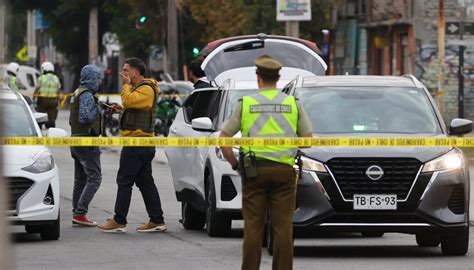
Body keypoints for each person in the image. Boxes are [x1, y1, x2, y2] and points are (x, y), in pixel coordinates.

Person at [219, 55, 312, 270]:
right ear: (278, 78)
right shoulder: (292, 103)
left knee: (253, 227)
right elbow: (307, 140)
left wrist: (235, 164)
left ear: (258, 78)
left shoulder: (247, 103)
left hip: (254, 173)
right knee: (283, 228)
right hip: (284, 173)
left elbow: (223, 139)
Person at [98, 57, 166, 233]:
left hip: (137, 144)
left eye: (126, 70)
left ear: (137, 72)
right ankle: (157, 219)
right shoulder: (139, 89)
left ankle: (119, 221)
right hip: (138, 143)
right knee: (145, 182)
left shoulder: (146, 89)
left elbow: (129, 100)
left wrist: (125, 86)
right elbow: (132, 107)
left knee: (124, 181)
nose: (123, 73)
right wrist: (120, 110)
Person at [69, 64, 103, 227]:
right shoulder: (87, 95)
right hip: (86, 142)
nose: (99, 82)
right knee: (95, 178)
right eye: (98, 79)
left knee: (80, 179)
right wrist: (98, 110)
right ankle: (81, 212)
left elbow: (73, 119)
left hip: (76, 140)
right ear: (91, 79)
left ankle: (77, 212)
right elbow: (84, 117)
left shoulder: (77, 92)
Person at [33, 61, 61, 128]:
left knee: (40, 115)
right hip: (53, 101)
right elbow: (58, 90)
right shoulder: (56, 78)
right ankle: (51, 129)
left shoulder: (42, 77)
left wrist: (34, 97)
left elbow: (37, 88)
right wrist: (58, 100)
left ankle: (39, 127)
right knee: (51, 117)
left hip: (42, 100)